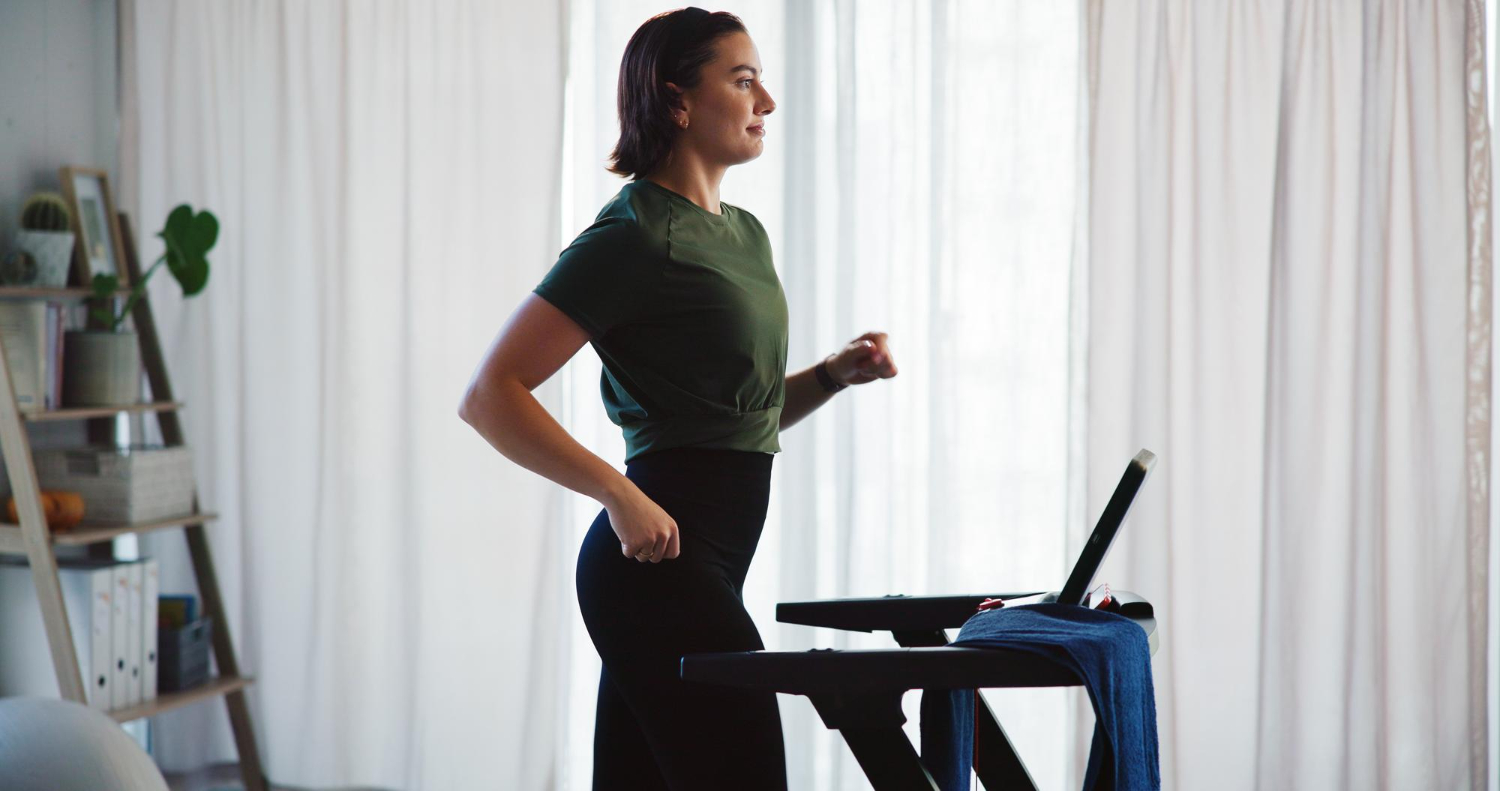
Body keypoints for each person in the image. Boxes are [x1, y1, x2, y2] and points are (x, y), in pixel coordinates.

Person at [458, 7, 897, 789]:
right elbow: (490, 395)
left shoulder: (745, 233)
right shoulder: (633, 234)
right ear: (677, 101)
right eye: (742, 78)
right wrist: (616, 492)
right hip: (653, 564)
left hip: (709, 559)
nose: (766, 100)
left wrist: (831, 375)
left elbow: (732, 423)